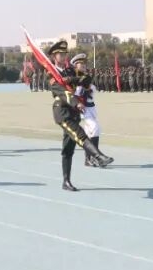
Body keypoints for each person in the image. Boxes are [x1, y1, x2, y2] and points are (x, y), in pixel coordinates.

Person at [45, 41, 113, 191]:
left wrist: (71, 79)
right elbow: (61, 92)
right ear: (54, 57)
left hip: (74, 112)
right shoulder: (51, 73)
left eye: (65, 54)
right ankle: (98, 156)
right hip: (62, 112)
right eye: (60, 54)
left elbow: (86, 79)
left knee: (68, 149)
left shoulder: (70, 70)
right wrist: (76, 102)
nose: (63, 56)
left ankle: (66, 182)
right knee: (79, 134)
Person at [70, 53, 105, 167]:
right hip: (83, 109)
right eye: (81, 63)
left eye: (84, 63)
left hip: (91, 108)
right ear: (75, 65)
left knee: (91, 133)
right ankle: (96, 157)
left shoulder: (86, 77)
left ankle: (88, 159)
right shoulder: (75, 79)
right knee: (94, 128)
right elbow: (75, 94)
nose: (84, 65)